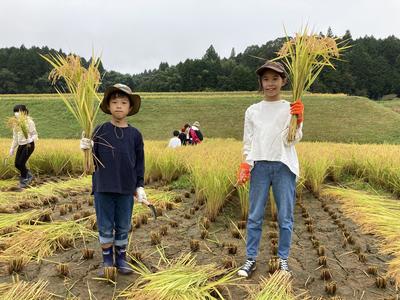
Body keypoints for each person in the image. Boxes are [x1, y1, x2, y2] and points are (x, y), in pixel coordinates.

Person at [236, 61, 304, 278]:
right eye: (266, 79)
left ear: (283, 81)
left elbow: (294, 140)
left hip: (284, 166)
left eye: (275, 79)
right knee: (255, 216)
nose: (270, 83)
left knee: (285, 217)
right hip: (260, 167)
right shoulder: (252, 111)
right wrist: (246, 164)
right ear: (261, 82)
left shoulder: (289, 107)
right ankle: (251, 259)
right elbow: (249, 141)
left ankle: (283, 259)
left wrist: (299, 120)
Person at [80, 83, 149, 276]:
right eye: (115, 102)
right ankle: (107, 260)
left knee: (123, 225)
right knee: (104, 225)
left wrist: (140, 185)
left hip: (126, 188)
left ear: (130, 107)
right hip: (103, 186)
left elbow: (139, 162)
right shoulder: (100, 130)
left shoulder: (135, 135)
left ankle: (121, 258)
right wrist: (86, 148)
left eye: (123, 102)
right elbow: (90, 161)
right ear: (108, 106)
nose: (119, 105)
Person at [9, 104, 38, 188]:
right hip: (21, 145)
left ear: (24, 112)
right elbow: (15, 138)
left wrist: (31, 140)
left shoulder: (29, 121)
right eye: (15, 112)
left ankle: (25, 179)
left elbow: (35, 134)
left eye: (18, 111)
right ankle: (29, 175)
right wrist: (12, 148)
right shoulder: (15, 123)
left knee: (21, 163)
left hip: (28, 145)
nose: (16, 113)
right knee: (17, 164)